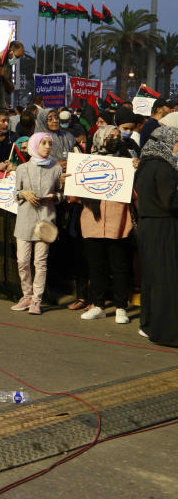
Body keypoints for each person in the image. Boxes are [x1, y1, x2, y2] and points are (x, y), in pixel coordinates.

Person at [79, 126, 134, 323]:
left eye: (118, 137)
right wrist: (67, 181)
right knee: (96, 266)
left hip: (118, 221)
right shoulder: (86, 161)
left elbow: (134, 194)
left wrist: (134, 172)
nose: (115, 139)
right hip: (92, 222)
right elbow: (75, 196)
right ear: (100, 138)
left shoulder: (127, 160)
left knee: (119, 266)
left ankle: (121, 307)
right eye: (111, 136)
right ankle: (98, 305)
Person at [134, 126, 178, 346]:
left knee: (152, 278)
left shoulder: (145, 164)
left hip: (148, 225)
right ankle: (167, 332)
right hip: (164, 227)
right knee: (166, 279)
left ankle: (148, 324)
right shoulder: (164, 167)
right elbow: (170, 201)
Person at [10, 132, 63, 315]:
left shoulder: (56, 168)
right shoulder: (22, 169)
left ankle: (36, 300)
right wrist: (24, 194)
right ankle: (26, 295)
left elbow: (60, 194)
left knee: (40, 262)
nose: (48, 146)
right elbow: (15, 193)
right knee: (22, 261)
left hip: (46, 220)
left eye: (50, 143)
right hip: (25, 220)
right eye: (44, 143)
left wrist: (52, 197)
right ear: (34, 145)